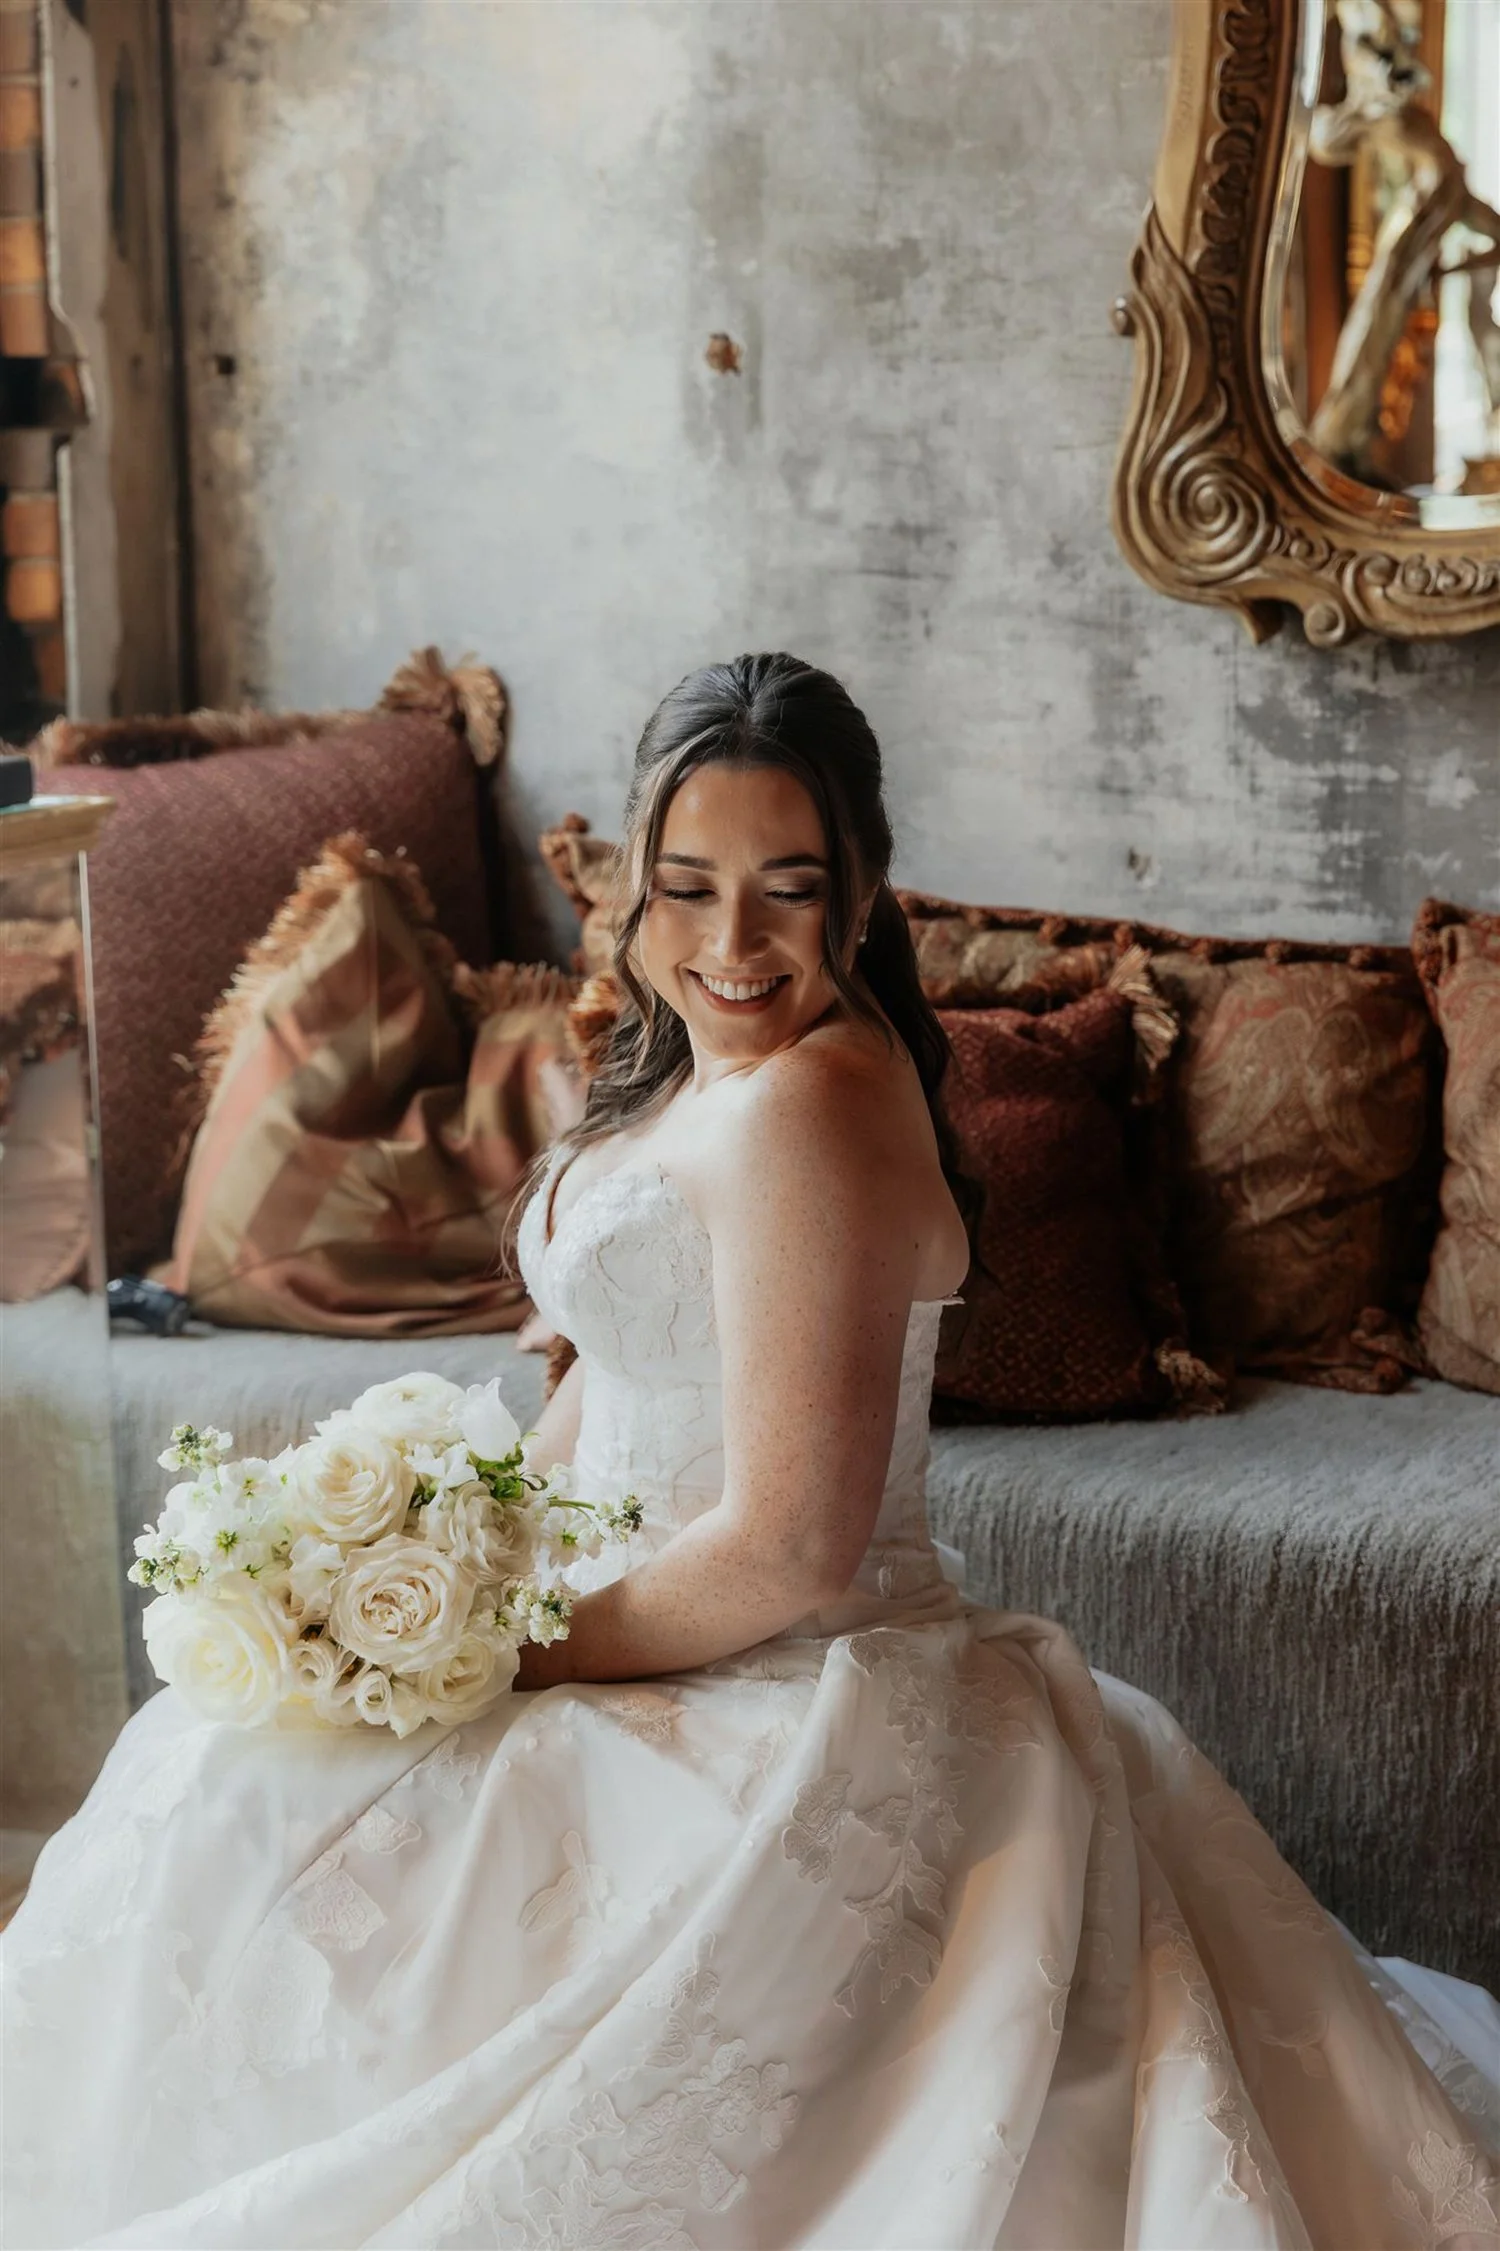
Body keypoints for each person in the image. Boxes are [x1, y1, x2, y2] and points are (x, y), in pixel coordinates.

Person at [2, 654, 1496, 2250]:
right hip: (645, 1611)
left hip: (779, 1671)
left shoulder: (813, 1105)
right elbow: (615, 1370)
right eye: (686, 888)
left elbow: (790, 1543)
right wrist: (428, 1551)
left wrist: (502, 1652)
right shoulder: (684, 1063)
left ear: (859, 887)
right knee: (246, 1767)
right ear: (634, 886)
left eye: (788, 889)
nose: (731, 944)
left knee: (286, 1814)